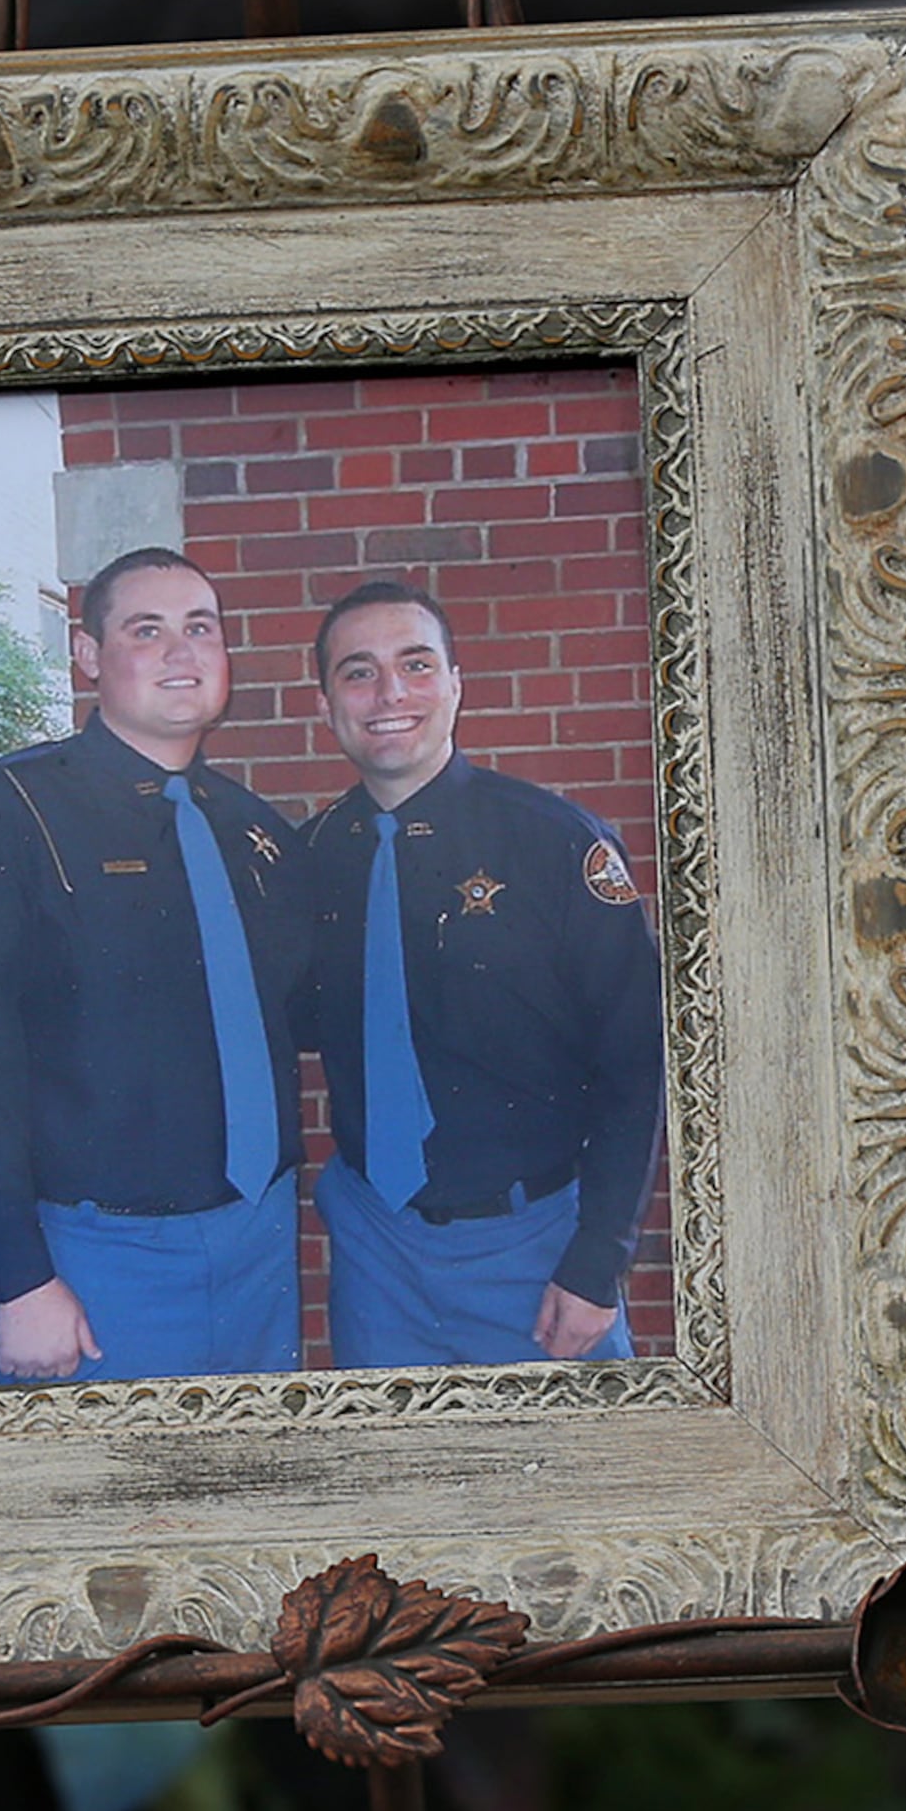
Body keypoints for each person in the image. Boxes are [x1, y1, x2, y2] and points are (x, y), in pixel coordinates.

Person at [0, 546, 304, 1381]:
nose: (182, 652)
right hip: (94, 1260)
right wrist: (22, 1277)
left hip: (262, 1244)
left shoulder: (255, 831)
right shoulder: (10, 814)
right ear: (88, 657)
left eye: (202, 628)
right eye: (147, 630)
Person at [294, 578, 665, 1366]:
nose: (389, 691)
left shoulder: (558, 845)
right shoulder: (308, 860)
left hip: (536, 1253)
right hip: (376, 1254)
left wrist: (599, 1262)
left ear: (456, 685)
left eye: (416, 664)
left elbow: (638, 1066)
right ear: (326, 701)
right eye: (357, 671)